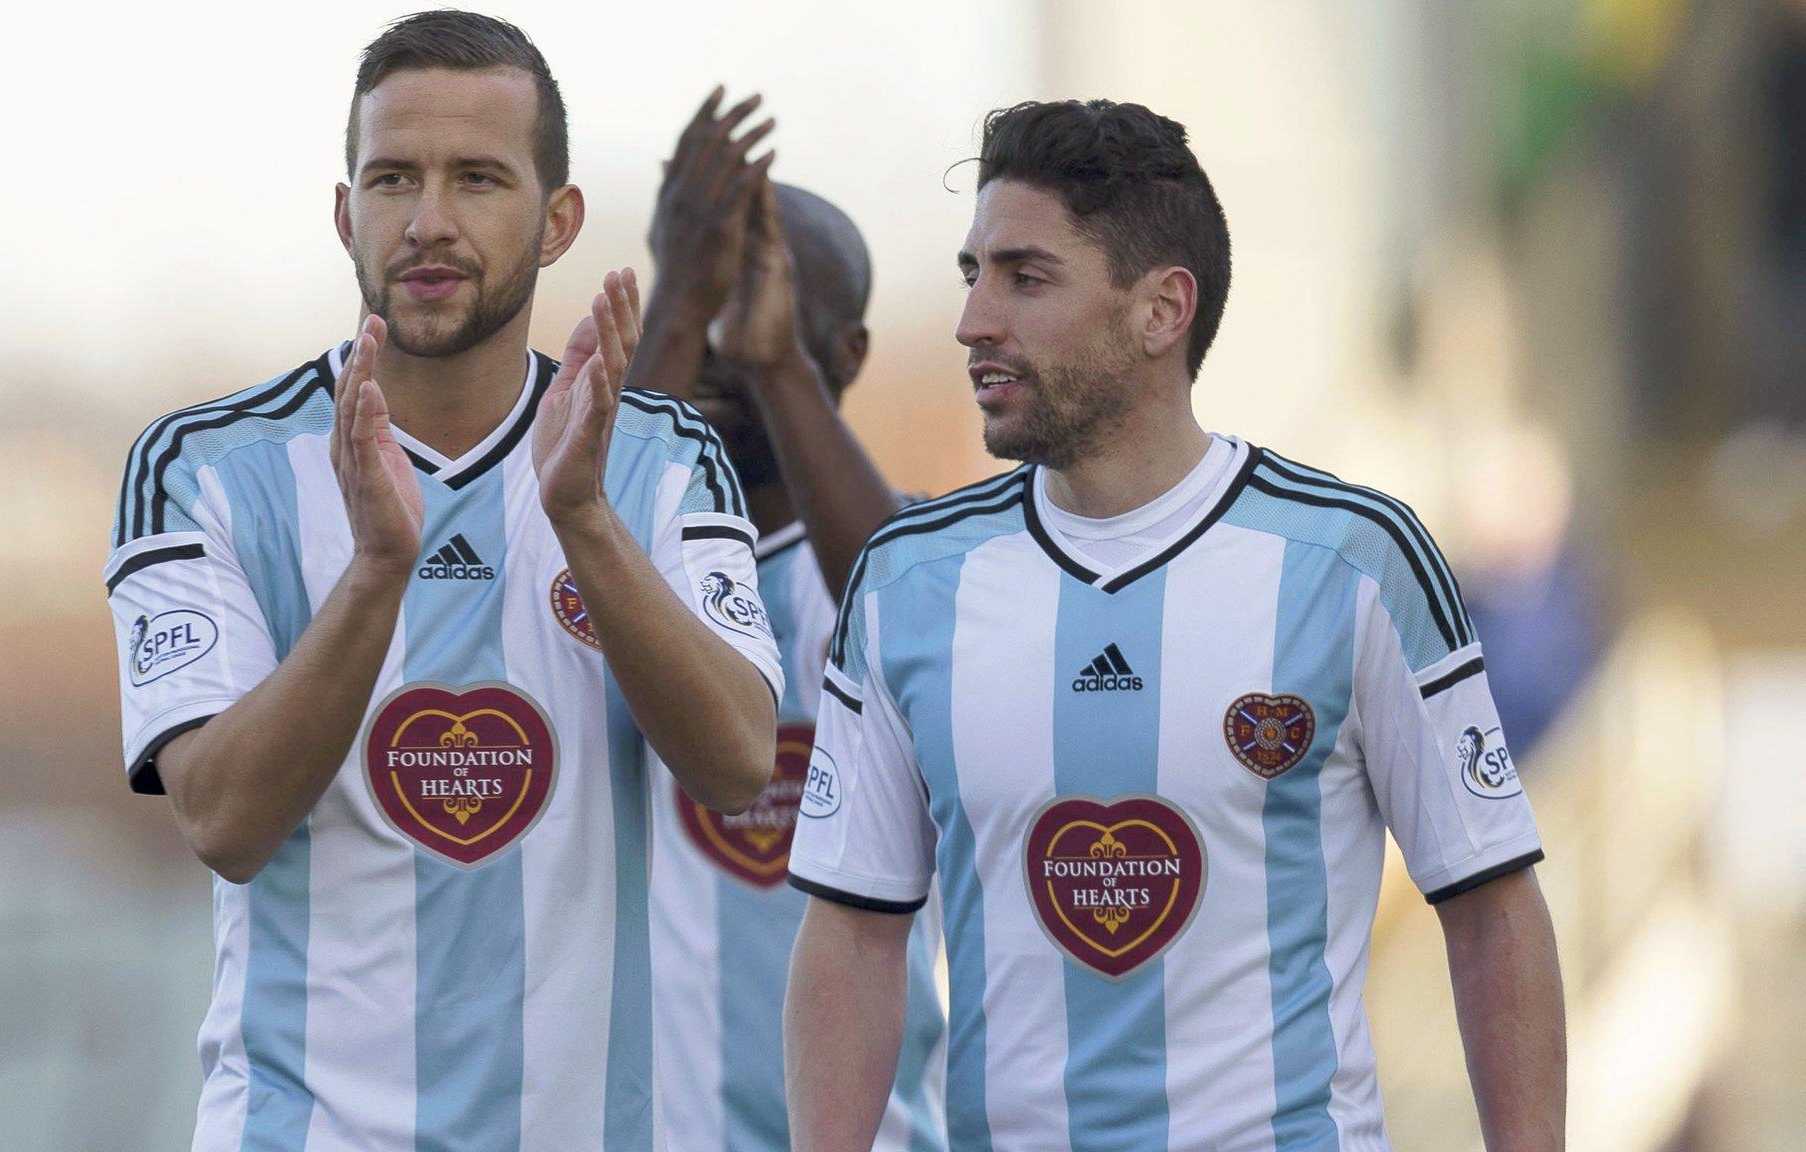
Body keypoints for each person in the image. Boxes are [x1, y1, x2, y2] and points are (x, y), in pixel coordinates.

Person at [784, 99, 1566, 1152]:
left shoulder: (1353, 560)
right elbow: (851, 936)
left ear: (1161, 311)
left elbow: (1488, 910)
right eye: (972, 273)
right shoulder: (907, 580)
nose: (973, 320)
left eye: (1023, 276)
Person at [102, 13, 781, 1151]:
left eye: (476, 179)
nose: (428, 222)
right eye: (391, 179)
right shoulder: (207, 468)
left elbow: (736, 762)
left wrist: (582, 521)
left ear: (557, 220)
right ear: (342, 212)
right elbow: (220, 819)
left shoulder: (658, 458)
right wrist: (375, 575)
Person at [629, 92, 946, 1152]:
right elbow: (566, 571)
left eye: (753, 306)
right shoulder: (610, 558)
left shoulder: (918, 566)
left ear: (843, 351)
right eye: (700, 309)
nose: (718, 341)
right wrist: (672, 297)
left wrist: (772, 364)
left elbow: (905, 620)